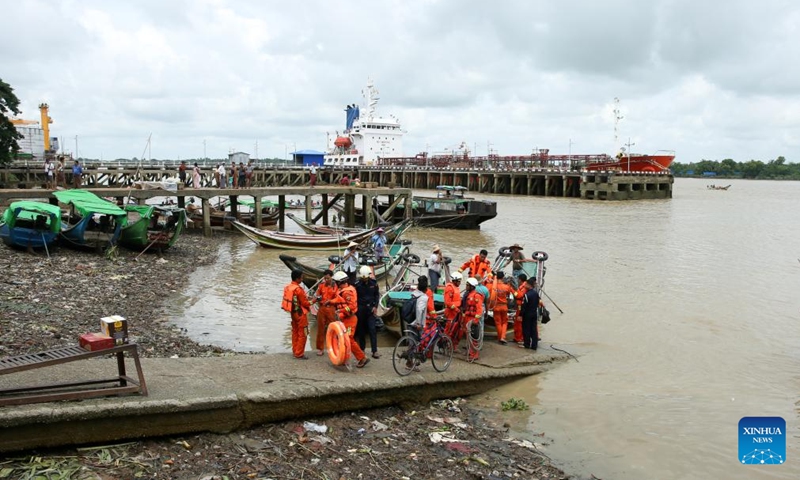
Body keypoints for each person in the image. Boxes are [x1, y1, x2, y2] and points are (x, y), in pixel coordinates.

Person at [329, 271, 369, 368]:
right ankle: (343, 358)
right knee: (342, 339)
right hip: (344, 319)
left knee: (348, 339)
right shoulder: (344, 290)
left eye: (336, 282)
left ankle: (362, 358)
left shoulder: (347, 292)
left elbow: (351, 306)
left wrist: (340, 311)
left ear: (340, 282)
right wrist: (330, 302)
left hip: (350, 319)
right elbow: (339, 300)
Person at [281, 270, 311, 359]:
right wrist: (314, 301)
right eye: (301, 277)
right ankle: (299, 353)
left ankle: (295, 350)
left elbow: (295, 299)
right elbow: (305, 303)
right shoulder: (299, 289)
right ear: (297, 278)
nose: (302, 279)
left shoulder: (289, 287)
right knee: (303, 334)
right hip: (301, 314)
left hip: (293, 313)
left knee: (295, 332)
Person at [354, 266, 381, 359]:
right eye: (363, 278)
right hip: (360, 310)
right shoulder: (357, 284)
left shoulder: (374, 283)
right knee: (361, 330)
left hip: (371, 310)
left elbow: (377, 295)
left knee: (372, 330)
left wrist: (375, 306)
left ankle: (374, 350)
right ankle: (362, 349)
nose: (364, 279)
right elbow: (354, 297)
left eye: (366, 278)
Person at [313, 269, 338, 356]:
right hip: (322, 309)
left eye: (328, 278)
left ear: (331, 277)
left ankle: (334, 346)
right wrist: (313, 300)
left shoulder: (335, 286)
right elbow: (316, 296)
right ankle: (320, 348)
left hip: (331, 309)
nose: (326, 280)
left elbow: (337, 298)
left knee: (333, 329)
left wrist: (331, 301)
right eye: (325, 278)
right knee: (320, 329)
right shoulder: (321, 286)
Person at [462, 277, 485, 362]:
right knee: (468, 336)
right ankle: (469, 351)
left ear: (472, 286)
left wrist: (476, 320)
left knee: (473, 337)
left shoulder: (476, 296)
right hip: (468, 317)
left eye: (467, 285)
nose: (466, 286)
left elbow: (479, 309)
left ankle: (474, 355)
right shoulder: (469, 294)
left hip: (473, 318)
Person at [492, 271, 514, 344]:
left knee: (498, 323)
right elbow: (509, 294)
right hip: (504, 306)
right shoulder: (506, 286)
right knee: (504, 322)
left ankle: (499, 337)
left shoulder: (493, 286)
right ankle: (503, 337)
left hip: (496, 306)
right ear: (503, 277)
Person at [520, 277, 541, 350]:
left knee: (526, 329)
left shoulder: (526, 295)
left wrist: (520, 315)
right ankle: (534, 345)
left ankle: (527, 344)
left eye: (526, 284)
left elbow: (524, 306)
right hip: (534, 313)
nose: (525, 285)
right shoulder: (536, 294)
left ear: (529, 285)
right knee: (534, 329)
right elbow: (538, 303)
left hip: (527, 314)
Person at [443, 271, 463, 343]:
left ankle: (449, 343)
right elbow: (448, 302)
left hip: (455, 312)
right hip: (451, 312)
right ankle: (444, 343)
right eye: (459, 281)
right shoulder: (449, 288)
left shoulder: (456, 287)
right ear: (455, 281)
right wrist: (456, 309)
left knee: (453, 329)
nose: (460, 283)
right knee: (448, 329)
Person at [513, 273, 529, 345]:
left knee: (519, 322)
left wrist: (512, 290)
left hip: (521, 306)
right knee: (517, 322)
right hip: (519, 306)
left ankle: (519, 338)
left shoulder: (524, 287)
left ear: (520, 279)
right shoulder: (523, 286)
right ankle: (517, 337)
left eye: (518, 279)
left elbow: (519, 296)